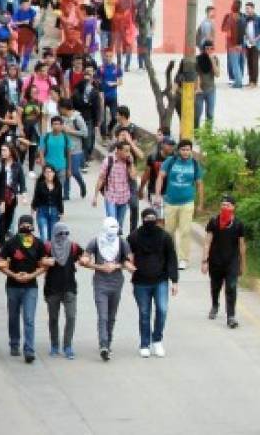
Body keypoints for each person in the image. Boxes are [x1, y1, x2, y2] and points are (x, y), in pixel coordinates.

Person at [128, 207, 180, 358]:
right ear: (142, 220)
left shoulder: (165, 237)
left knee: (162, 310)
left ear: (157, 220)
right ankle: (144, 344)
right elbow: (126, 254)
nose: (150, 222)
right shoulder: (134, 237)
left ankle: (157, 339)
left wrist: (174, 281)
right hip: (140, 282)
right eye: (147, 219)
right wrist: (128, 263)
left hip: (160, 280)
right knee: (144, 313)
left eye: (153, 219)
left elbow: (172, 259)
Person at [80, 217, 132, 361]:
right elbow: (84, 259)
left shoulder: (122, 242)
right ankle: (103, 345)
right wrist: (98, 266)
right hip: (100, 282)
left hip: (116, 282)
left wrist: (118, 266)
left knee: (111, 315)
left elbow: (129, 261)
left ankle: (108, 342)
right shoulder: (95, 241)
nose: (111, 236)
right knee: (102, 315)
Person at [0, 214, 47, 363]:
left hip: (30, 286)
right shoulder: (11, 243)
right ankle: (14, 343)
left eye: (28, 225)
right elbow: (0, 262)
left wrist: (31, 275)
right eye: (23, 225)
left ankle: (29, 350)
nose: (26, 228)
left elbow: (44, 265)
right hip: (13, 285)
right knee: (13, 317)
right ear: (19, 226)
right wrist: (13, 275)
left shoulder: (39, 244)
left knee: (29, 318)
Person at [154, 138, 204, 270]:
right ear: (178, 150)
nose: (186, 152)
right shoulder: (171, 161)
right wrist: (158, 195)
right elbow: (160, 176)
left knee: (185, 231)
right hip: (170, 202)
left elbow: (199, 184)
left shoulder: (194, 164)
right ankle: (170, 256)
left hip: (187, 202)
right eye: (183, 149)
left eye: (188, 149)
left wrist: (200, 203)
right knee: (169, 231)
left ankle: (183, 259)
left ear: (191, 150)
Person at [202, 195, 246, 329]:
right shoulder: (214, 222)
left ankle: (231, 316)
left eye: (227, 205)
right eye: (222, 204)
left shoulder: (238, 224)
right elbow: (207, 242)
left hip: (232, 261)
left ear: (233, 207)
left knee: (231, 287)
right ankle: (215, 305)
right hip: (216, 260)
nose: (224, 207)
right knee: (215, 286)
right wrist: (205, 260)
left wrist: (243, 264)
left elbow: (242, 246)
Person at [43, 222, 81, 359]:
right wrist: (44, 262)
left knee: (71, 317)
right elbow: (38, 260)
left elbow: (84, 256)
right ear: (54, 233)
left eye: (66, 233)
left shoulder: (73, 246)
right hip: (52, 289)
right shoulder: (47, 247)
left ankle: (67, 345)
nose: (63, 236)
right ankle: (54, 345)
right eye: (60, 233)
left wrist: (87, 260)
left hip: (70, 288)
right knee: (53, 318)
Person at [93, 141, 137, 232]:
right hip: (111, 196)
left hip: (124, 197)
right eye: (126, 151)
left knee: (119, 226)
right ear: (118, 151)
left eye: (129, 151)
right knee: (112, 224)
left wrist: (132, 163)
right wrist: (95, 196)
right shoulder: (109, 161)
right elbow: (101, 178)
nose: (128, 153)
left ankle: (117, 242)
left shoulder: (128, 162)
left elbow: (133, 176)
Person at [31, 164, 64, 242]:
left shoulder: (58, 185)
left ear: (54, 173)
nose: (49, 174)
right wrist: (33, 209)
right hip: (42, 211)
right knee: (44, 235)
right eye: (46, 172)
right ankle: (44, 252)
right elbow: (36, 197)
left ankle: (50, 252)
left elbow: (59, 199)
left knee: (52, 236)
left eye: (50, 172)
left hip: (54, 212)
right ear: (44, 174)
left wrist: (61, 212)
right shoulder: (40, 185)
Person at [241, 1, 260, 87]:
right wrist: (248, 38)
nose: (246, 10)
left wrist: (255, 39)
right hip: (248, 42)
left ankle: (254, 81)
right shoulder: (245, 19)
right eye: (246, 8)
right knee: (249, 62)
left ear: (252, 8)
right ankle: (250, 80)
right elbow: (244, 30)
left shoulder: (259, 18)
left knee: (254, 61)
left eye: (248, 8)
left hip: (257, 43)